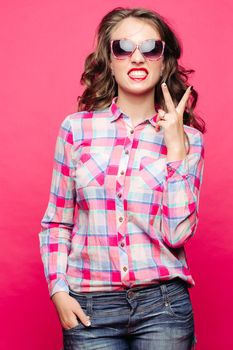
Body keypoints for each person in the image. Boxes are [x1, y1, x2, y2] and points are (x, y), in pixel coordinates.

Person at [39, 6, 206, 350]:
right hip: (90, 308)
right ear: (109, 60)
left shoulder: (190, 140)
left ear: (163, 61)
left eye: (150, 48)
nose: (137, 57)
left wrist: (176, 147)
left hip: (163, 307)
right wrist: (58, 289)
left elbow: (177, 233)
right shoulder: (76, 129)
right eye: (123, 47)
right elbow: (57, 221)